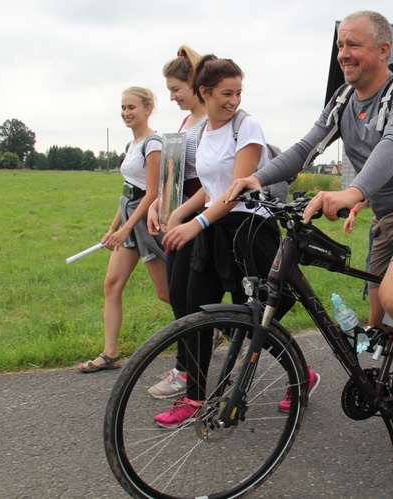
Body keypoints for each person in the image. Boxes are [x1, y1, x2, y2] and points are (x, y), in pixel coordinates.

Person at [228, 10, 393, 440]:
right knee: (377, 324)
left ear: (383, 49)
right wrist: (257, 178)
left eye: (353, 45)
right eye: (340, 46)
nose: (344, 54)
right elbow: (305, 147)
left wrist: (353, 193)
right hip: (389, 219)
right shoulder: (343, 99)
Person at [153, 55, 308, 428]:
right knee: (194, 312)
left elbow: (237, 190)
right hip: (215, 228)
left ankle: (301, 375)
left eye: (238, 92)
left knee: (250, 320)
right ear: (204, 93)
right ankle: (194, 397)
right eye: (226, 93)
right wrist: (180, 214)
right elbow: (211, 186)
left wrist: (196, 224)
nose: (234, 100)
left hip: (248, 231)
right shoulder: (202, 131)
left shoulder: (247, 127)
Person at [79, 87, 169, 373]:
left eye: (131, 107)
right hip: (130, 221)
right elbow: (129, 192)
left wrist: (127, 227)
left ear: (147, 109)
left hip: (147, 223)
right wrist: (113, 228)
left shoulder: (153, 144)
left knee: (165, 293)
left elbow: (151, 193)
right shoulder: (133, 144)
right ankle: (111, 353)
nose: (126, 113)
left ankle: (208, 329)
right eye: (123, 108)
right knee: (111, 284)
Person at [145, 45, 209, 398]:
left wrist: (182, 212)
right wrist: (158, 202)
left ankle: (186, 373)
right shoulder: (186, 122)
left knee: (188, 300)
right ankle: (187, 369)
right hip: (179, 217)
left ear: (194, 83)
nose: (171, 98)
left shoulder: (211, 122)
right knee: (180, 298)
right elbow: (175, 174)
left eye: (176, 90)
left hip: (200, 221)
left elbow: (213, 179)